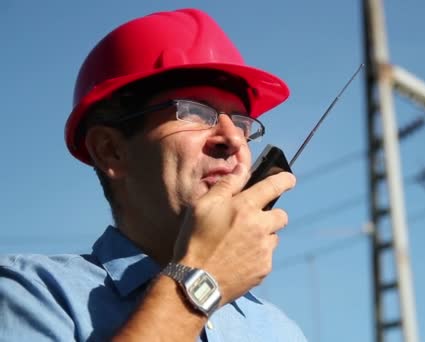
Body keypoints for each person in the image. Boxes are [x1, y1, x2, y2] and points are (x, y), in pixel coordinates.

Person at [0, 8, 307, 341]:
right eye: (193, 111)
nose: (232, 138)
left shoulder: (280, 330)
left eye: (242, 123)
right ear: (110, 150)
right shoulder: (33, 294)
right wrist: (205, 279)